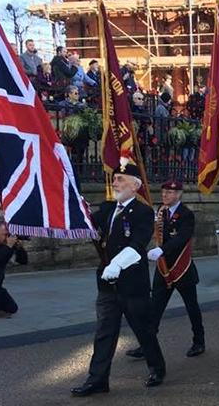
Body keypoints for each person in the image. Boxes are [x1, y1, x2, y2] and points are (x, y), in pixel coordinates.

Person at [71, 162, 165, 397]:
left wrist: (117, 264)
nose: (115, 183)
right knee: (104, 333)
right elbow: (87, 224)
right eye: (114, 179)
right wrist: (74, 203)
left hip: (133, 285)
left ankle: (157, 368)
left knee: (143, 330)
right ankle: (98, 380)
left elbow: (138, 245)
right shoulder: (108, 208)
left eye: (121, 179)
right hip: (107, 286)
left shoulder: (143, 212)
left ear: (135, 185)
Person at [125, 179, 205, 360]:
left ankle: (199, 341)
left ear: (178, 194)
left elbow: (182, 238)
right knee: (154, 309)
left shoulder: (186, 215)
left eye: (169, 192)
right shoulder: (161, 212)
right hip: (163, 268)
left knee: (192, 307)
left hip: (181, 268)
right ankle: (147, 345)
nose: (165, 195)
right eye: (163, 192)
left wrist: (162, 249)